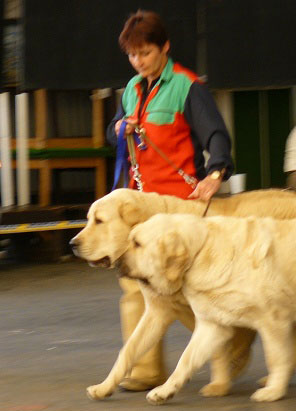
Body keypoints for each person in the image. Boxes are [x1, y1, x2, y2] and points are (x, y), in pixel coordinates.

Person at [105, 10, 234, 391]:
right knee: (134, 283)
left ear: (165, 47)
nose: (138, 61)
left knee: (188, 292)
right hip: (141, 206)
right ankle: (144, 371)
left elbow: (217, 136)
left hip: (180, 208)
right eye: (132, 55)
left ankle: (226, 355)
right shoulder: (131, 89)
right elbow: (115, 136)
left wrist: (215, 174)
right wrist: (118, 128)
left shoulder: (188, 86)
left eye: (144, 53)